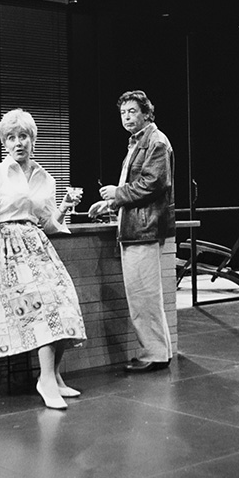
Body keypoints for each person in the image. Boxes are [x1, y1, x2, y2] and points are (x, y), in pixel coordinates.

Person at [0, 109, 86, 411]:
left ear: (32, 139)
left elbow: (48, 223)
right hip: (4, 249)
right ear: (4, 142)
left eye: (23, 136)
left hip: (36, 245)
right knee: (43, 308)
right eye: (11, 137)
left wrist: (64, 205)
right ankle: (45, 381)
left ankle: (54, 376)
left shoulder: (44, 177)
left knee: (64, 302)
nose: (17, 142)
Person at [88, 90, 174, 373]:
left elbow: (153, 183)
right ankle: (159, 351)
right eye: (123, 113)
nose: (126, 117)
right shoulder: (138, 143)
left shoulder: (155, 142)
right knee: (143, 295)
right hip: (136, 228)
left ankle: (156, 354)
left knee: (143, 295)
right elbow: (140, 187)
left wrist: (118, 192)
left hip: (144, 230)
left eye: (132, 111)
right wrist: (111, 203)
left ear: (147, 113)